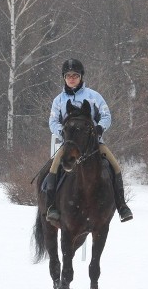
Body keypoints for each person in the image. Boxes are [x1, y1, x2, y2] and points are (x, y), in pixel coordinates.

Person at [45, 58, 133, 224]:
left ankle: (122, 205)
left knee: (115, 166)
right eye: (68, 75)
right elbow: (52, 122)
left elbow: (106, 115)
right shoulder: (59, 100)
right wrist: (62, 133)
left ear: (81, 77)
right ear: (64, 77)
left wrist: (99, 128)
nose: (72, 78)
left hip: (93, 144)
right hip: (70, 144)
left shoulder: (94, 96)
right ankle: (51, 206)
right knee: (54, 167)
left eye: (75, 75)